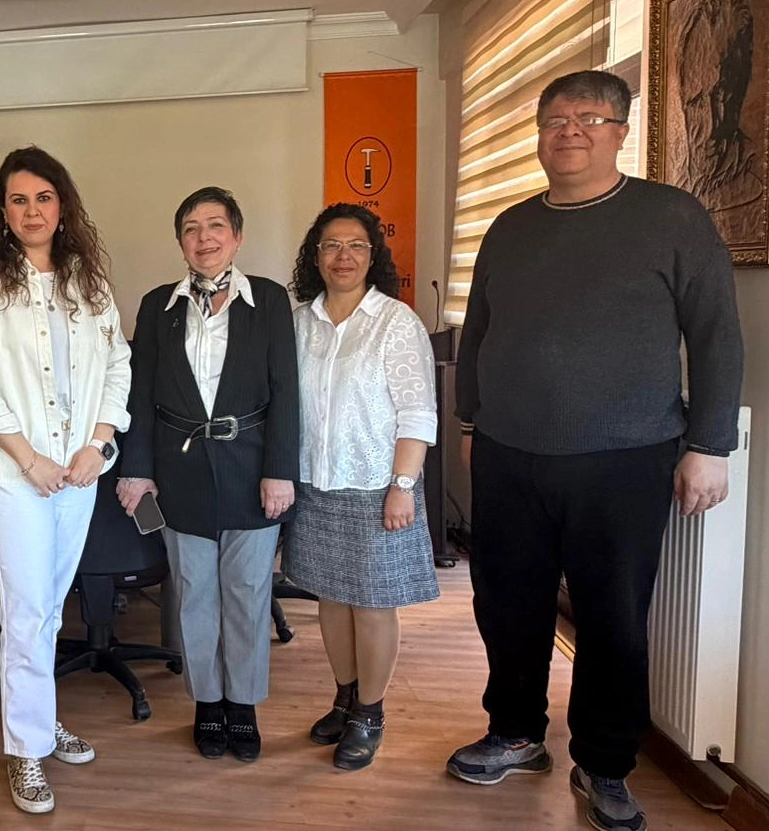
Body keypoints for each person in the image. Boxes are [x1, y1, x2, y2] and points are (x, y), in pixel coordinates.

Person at [449, 70, 744, 831]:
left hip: (626, 458)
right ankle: (515, 732)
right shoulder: (510, 226)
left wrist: (710, 444)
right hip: (510, 453)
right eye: (555, 119)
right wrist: (471, 425)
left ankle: (604, 763)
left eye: (588, 117)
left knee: (613, 618)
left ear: (620, 131)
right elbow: (478, 332)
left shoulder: (670, 217)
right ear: (538, 134)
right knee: (506, 605)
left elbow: (716, 334)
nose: (569, 130)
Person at [0, 146, 131, 814]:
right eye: (19, 200)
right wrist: (31, 460)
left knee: (52, 608)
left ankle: (40, 718)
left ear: (62, 206)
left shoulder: (89, 283)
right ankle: (25, 749)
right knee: (27, 610)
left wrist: (98, 444)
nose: (32, 211)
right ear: (2, 211)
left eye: (44, 198)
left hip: (78, 472)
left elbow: (118, 365)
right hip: (13, 474)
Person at [117, 186, 299, 764]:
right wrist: (137, 471)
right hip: (180, 471)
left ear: (237, 237)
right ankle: (208, 702)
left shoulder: (268, 300)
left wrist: (280, 471)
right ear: (180, 242)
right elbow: (141, 395)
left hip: (252, 467)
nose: (204, 238)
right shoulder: (157, 305)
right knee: (194, 593)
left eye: (216, 225)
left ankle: (243, 704)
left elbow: (286, 391)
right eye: (191, 229)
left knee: (247, 593)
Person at [281, 203, 438, 772]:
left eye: (355, 245)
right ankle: (344, 698)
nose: (342, 256)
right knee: (330, 596)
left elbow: (417, 412)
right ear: (315, 256)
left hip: (376, 484)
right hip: (316, 482)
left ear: (374, 256)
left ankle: (370, 713)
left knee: (372, 604)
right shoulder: (298, 322)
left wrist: (403, 485)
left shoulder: (395, 321)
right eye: (331, 245)